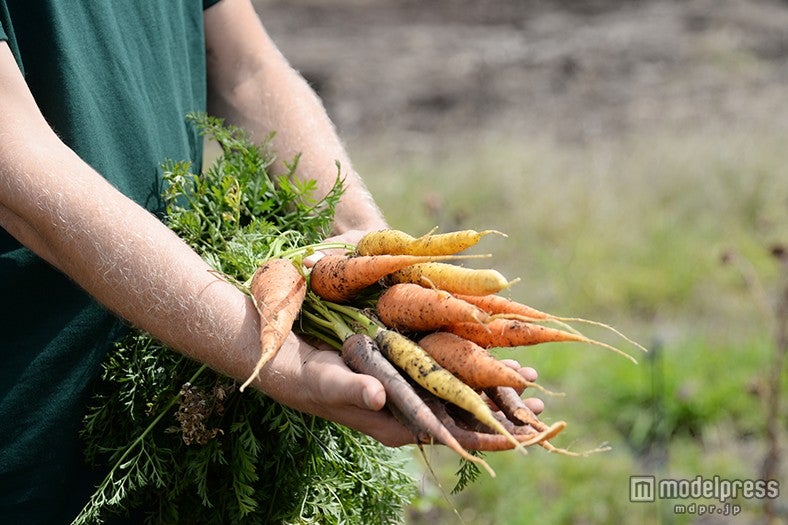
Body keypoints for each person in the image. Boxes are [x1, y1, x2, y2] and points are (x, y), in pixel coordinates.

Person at [0, 0, 543, 522]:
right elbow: (16, 163)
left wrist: (363, 239)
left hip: (190, 407)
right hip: (33, 424)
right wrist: (272, 358)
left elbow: (245, 66)